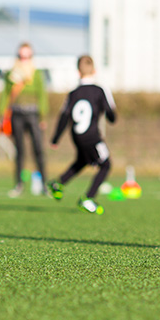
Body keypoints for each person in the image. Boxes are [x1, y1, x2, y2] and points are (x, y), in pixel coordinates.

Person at [47, 55, 116, 214]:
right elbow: (111, 115)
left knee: (83, 160)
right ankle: (88, 198)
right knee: (106, 165)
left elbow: (64, 116)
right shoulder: (100, 90)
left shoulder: (73, 93)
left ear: (79, 72)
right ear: (95, 71)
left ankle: (59, 183)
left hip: (76, 135)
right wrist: (110, 115)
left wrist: (56, 138)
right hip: (92, 136)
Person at [0, 42, 48, 198]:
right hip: (17, 114)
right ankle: (18, 184)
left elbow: (42, 95)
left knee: (38, 150)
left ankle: (44, 184)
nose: (24, 59)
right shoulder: (11, 74)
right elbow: (5, 94)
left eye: (28, 56)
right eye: (21, 56)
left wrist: (43, 116)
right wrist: (1, 114)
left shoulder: (37, 74)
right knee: (19, 151)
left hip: (33, 114)